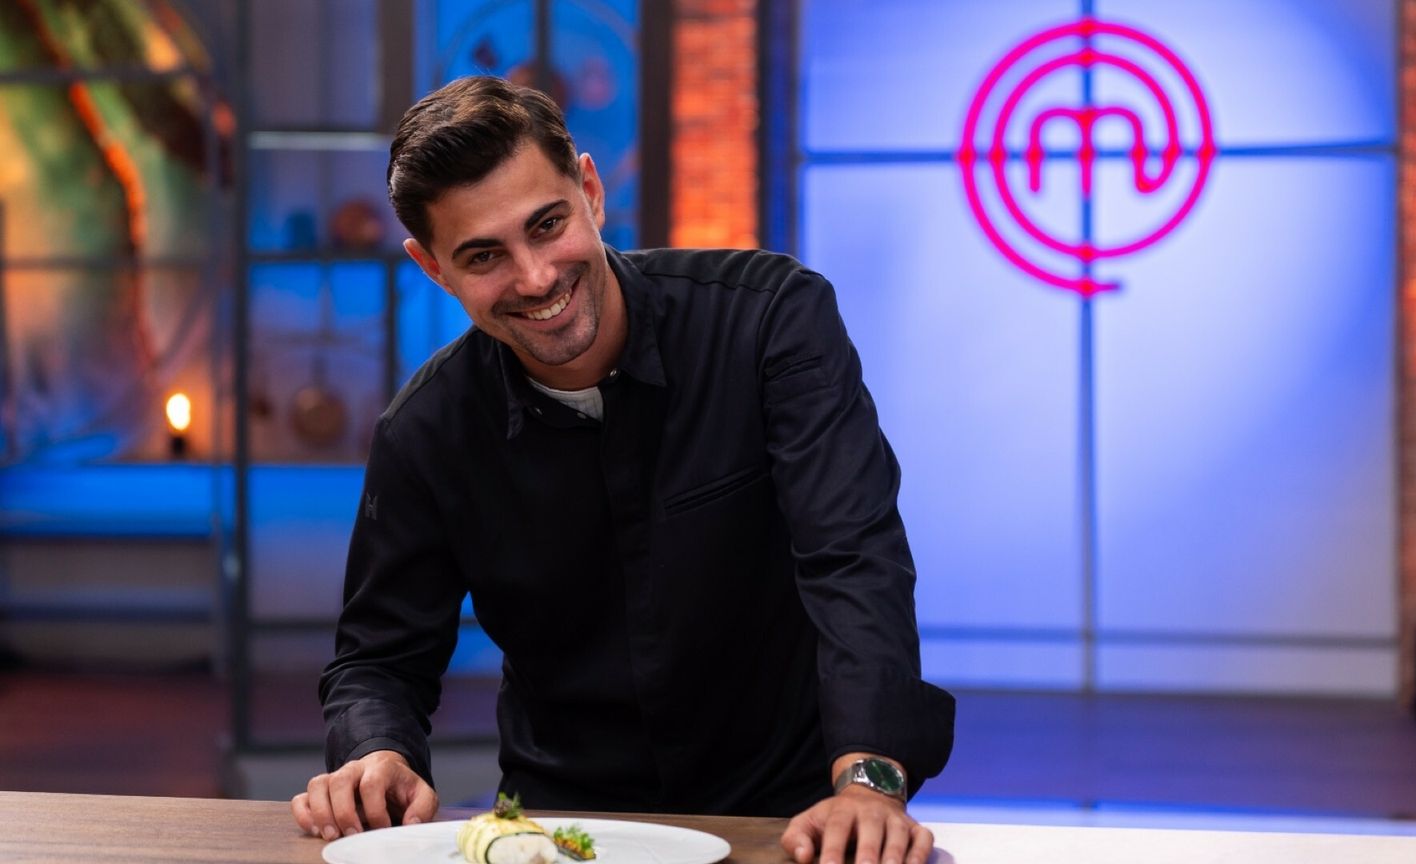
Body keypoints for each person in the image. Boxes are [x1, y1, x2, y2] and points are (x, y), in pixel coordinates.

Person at [289, 75, 955, 864]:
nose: (536, 277)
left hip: (793, 815)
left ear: (591, 191)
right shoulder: (425, 431)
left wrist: (870, 782)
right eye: (484, 256)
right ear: (434, 269)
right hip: (563, 830)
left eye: (547, 225)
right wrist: (376, 754)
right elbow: (379, 658)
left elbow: (853, 558)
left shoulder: (769, 321)